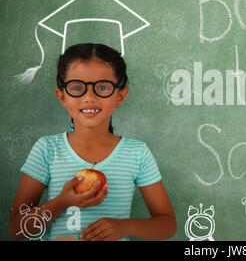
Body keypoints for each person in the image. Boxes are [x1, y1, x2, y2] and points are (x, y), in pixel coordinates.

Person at [9, 43, 177, 241]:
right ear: (62, 96)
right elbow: (16, 229)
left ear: (120, 96)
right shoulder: (47, 149)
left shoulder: (136, 153)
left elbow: (168, 225)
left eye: (103, 87)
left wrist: (126, 227)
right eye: (77, 88)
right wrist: (62, 202)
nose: (89, 97)